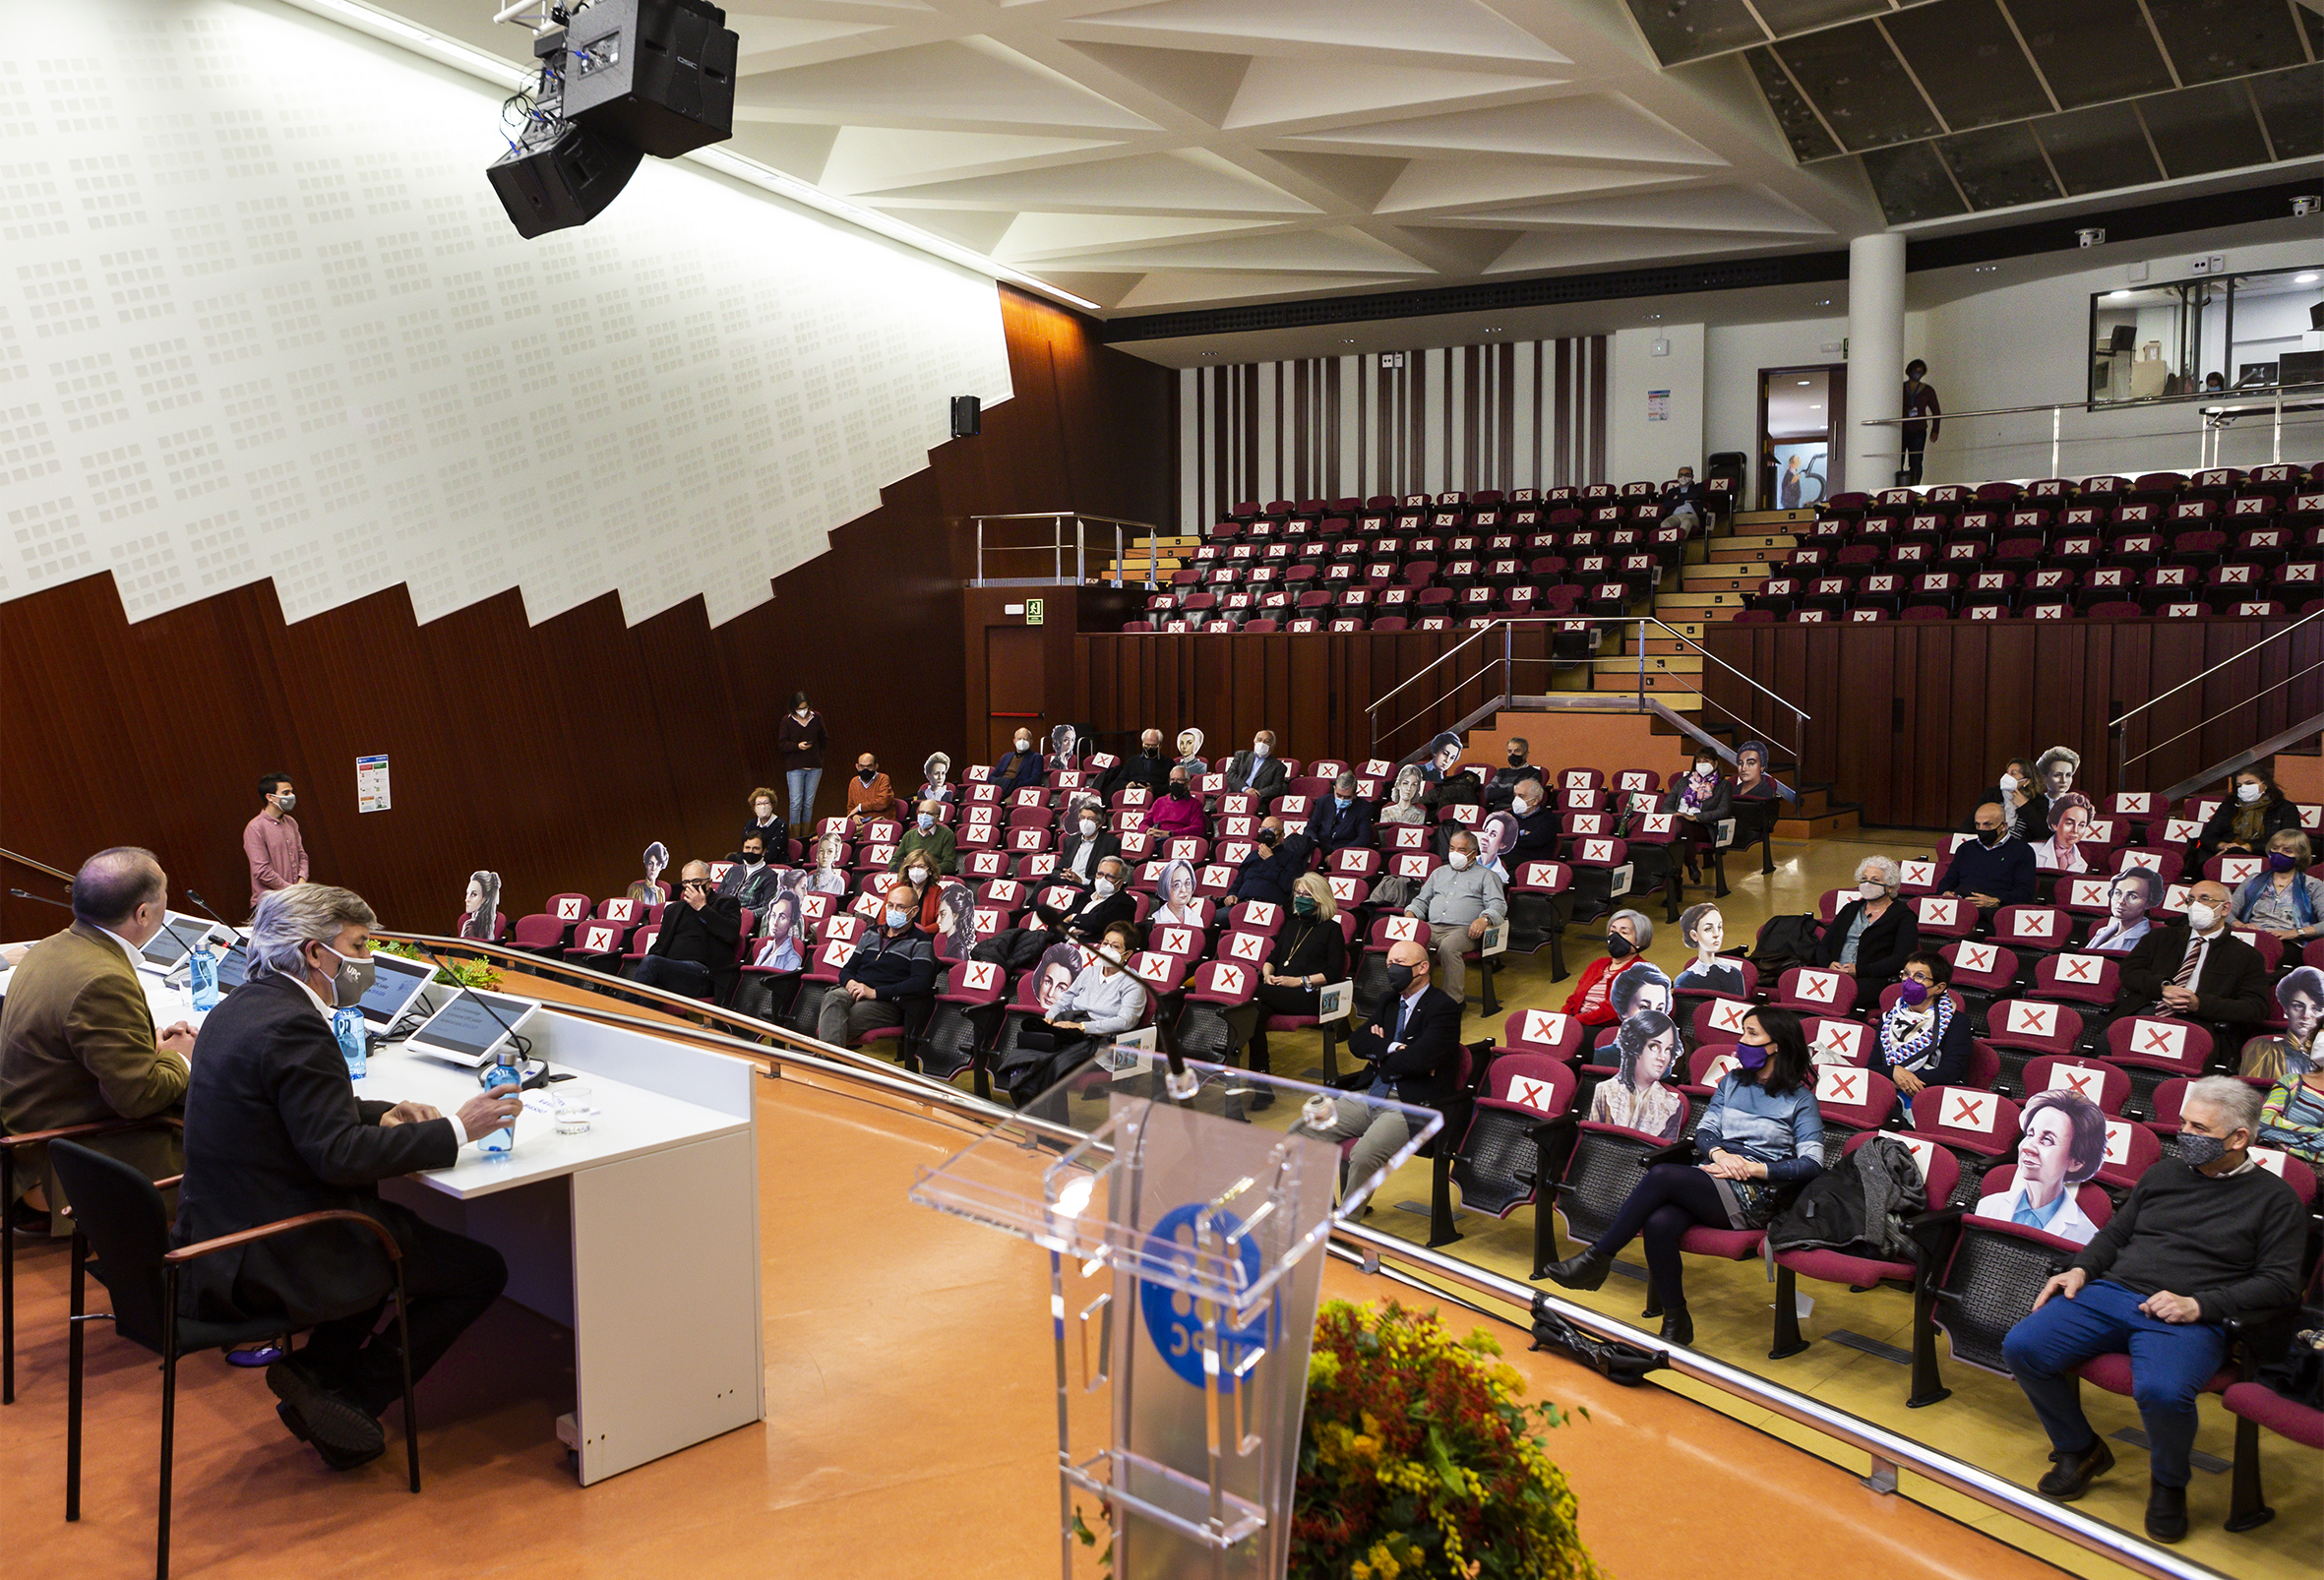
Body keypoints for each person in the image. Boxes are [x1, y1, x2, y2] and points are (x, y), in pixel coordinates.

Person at [173, 883, 520, 1471]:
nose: (368, 960)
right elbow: (338, 1156)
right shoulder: (295, 1026)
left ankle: (315, 1373)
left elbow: (294, 1105)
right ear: (315, 953)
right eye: (358, 946)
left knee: (388, 1229)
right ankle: (356, 1393)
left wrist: (380, 1113)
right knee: (476, 1268)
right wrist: (461, 1128)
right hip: (273, 1251)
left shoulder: (242, 1005)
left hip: (220, 1234)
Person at [2001, 1077, 2304, 1543]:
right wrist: (2081, 1269)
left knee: (2163, 1392)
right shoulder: (2163, 1174)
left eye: (2199, 1128)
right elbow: (2115, 1234)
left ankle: (2168, 1484)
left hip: (2189, 1315)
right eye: (2183, 1123)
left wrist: (2200, 1304)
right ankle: (2079, 1449)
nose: (2184, 1134)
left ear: (2238, 1138)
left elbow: (2280, 1284)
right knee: (2023, 1346)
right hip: (2113, 1291)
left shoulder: (2276, 1200)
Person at [1547, 1006, 1822, 1346]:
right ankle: (1676, 1321)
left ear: (1777, 1044)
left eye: (1752, 1034)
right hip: (1714, 1175)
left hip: (1758, 1194)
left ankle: (1597, 1258)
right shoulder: (1732, 1082)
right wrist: (1720, 1154)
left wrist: (1752, 1168)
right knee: (1659, 1223)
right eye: (1742, 1031)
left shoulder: (1800, 1100)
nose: (1741, 1040)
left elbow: (1812, 1163)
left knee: (1662, 1174)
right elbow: (1705, 1132)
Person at [0, 848, 194, 1229]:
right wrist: (182, 1056)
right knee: (238, 1140)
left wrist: (149, 1046)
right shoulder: (102, 980)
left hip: (34, 1137)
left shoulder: (52, 947)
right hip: (67, 1159)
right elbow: (138, 1098)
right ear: (143, 914)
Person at [1307, 939, 1462, 1199]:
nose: (1391, 969)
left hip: (1409, 1104)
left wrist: (1379, 1055)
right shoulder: (1389, 1001)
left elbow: (1421, 1060)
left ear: (1423, 967)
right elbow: (1357, 1042)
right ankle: (1324, 1207)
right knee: (1304, 1130)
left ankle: (1347, 1222)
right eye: (1389, 964)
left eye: (1399, 963)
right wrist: (1392, 1048)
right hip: (1370, 1093)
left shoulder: (1443, 1007)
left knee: (1362, 1155)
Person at [2116, 879, 2271, 1046]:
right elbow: (2128, 971)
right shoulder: (2159, 937)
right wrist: (2162, 986)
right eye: (2190, 900)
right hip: (2148, 1009)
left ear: (2225, 908)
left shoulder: (2247, 956)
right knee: (2108, 1042)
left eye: (2204, 899)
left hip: (2202, 1024)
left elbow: (2255, 1008)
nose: (2195, 905)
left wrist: (2199, 1004)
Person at [1230, 873, 1347, 1088]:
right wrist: (1268, 975)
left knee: (1254, 991)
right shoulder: (1292, 925)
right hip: (1280, 993)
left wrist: (1298, 981)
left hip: (1312, 995)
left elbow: (1333, 973)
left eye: (1306, 895)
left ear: (1320, 898)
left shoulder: (1332, 929)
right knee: (1255, 1013)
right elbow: (1271, 959)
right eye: (1298, 893)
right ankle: (1261, 1078)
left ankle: (1228, 1048)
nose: (1300, 898)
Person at [817, 880, 939, 1049]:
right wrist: (851, 984)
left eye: (900, 907)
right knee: (832, 997)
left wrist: (875, 992)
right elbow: (848, 969)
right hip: (855, 991)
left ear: (913, 911)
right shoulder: (870, 933)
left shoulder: (921, 941)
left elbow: (920, 982)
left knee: (835, 1022)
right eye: (890, 905)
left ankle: (826, 1061)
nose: (893, 911)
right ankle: (830, 1061)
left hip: (887, 1001)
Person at [1976, 1090, 2106, 1246]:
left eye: (2047, 1140)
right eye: (2030, 1134)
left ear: (2076, 1161)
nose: (2027, 1147)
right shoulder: (1988, 1207)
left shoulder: (2087, 1237)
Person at [1405, 829, 1505, 1007]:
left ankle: (1453, 1002)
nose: (1454, 853)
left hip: (1465, 930)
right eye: (1452, 848)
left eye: (1461, 850)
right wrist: (1410, 914)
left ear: (1473, 853)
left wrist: (1484, 919)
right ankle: (1415, 997)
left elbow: (1498, 905)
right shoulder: (1438, 873)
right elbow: (1421, 900)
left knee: (1448, 948)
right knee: (1409, 945)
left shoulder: (1487, 876)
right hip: (1433, 926)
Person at [1020, 921, 1145, 1060]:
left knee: (1052, 1060)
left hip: (1098, 1041)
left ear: (1127, 954)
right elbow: (1065, 1001)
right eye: (1105, 943)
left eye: (1115, 946)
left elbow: (1125, 1021)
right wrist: (1050, 1017)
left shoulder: (1133, 983)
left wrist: (1082, 1027)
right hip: (1068, 1030)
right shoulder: (1089, 972)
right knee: (1028, 1050)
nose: (1107, 949)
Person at [1870, 952, 1971, 1120]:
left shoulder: (1956, 1022)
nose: (1908, 981)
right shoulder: (1888, 1018)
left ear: (1939, 988)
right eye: (1906, 974)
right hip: (1886, 1089)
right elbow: (1872, 1066)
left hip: (1928, 1093)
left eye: (1919, 976)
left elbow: (1949, 1073)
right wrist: (1894, 1071)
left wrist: (1900, 1081)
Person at [635, 861, 742, 1000]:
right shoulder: (673, 909)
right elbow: (660, 945)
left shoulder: (726, 903)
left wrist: (701, 908)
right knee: (650, 985)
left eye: (696, 881)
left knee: (652, 964)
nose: (690, 887)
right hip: (669, 971)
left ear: (709, 883)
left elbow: (730, 934)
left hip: (704, 974)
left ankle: (624, 1009)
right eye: (686, 883)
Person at [1811, 856, 1919, 981]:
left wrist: (1860, 971)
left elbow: (1901, 959)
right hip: (1833, 974)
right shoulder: (1850, 909)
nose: (1868, 884)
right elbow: (1824, 946)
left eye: (1875, 879)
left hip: (1872, 978)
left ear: (1891, 887)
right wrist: (1828, 965)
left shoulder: (1904, 916)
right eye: (1864, 879)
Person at [1587, 1009, 1684, 1140]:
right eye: (1654, 1047)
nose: (1662, 1057)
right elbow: (1592, 1142)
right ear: (1635, 1046)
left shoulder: (1673, 1106)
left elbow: (1665, 1150)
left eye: (1668, 1049)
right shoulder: (1604, 1090)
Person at [1936, 802, 2037, 914]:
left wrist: (1998, 901)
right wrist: (1945, 893)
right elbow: (1948, 881)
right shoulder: (1965, 848)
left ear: (2003, 826)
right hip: (1960, 906)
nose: (1981, 829)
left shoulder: (2022, 851)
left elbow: (2025, 891)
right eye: (1977, 825)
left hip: (1995, 909)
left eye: (1987, 825)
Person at [2229, 827, 2324, 943]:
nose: (2278, 854)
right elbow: (2227, 910)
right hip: (2252, 937)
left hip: (2289, 941)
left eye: (2287, 851)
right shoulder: (2253, 880)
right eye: (2274, 848)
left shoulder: (2313, 885)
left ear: (2300, 855)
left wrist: (2295, 932)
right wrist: (2240, 925)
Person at [1561, 910, 1654, 1025]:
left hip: (1606, 1028)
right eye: (1612, 931)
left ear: (1640, 940)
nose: (1615, 937)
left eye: (1624, 932)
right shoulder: (1598, 964)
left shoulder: (1642, 971)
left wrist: (1575, 1022)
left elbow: (1615, 1010)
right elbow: (1573, 1000)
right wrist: (1562, 1019)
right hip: (1577, 1023)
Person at [2194, 766, 2300, 866]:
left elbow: (2289, 839)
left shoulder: (2285, 808)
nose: (2244, 788)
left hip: (2265, 856)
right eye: (2239, 785)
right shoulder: (2229, 805)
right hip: (2224, 853)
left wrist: (2248, 847)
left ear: (2265, 784)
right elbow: (2208, 835)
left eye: (2249, 783)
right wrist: (2223, 845)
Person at [2238, 965, 2324, 1081]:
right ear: (2286, 1009)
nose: (2306, 1015)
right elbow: (2252, 1090)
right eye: (2298, 1006)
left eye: (2316, 1009)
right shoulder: (2264, 1049)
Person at [1030, 855, 1134, 947]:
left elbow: (1097, 923)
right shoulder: (1081, 897)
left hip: (1089, 952)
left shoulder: (1125, 902)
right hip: (1062, 947)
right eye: (1100, 874)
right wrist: (1072, 930)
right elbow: (1055, 925)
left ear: (1120, 882)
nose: (1103, 879)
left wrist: (1072, 918)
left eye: (1110, 876)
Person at [244, 770, 310, 910]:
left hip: (296, 898)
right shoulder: (255, 827)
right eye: (286, 793)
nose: (291, 796)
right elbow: (261, 871)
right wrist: (291, 890)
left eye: (291, 792)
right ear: (270, 797)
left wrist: (301, 881)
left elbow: (302, 856)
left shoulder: (291, 822)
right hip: (271, 904)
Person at [1669, 754, 1731, 881]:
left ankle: (1677, 881)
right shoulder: (1683, 782)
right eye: (1699, 761)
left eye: (1706, 761)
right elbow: (1666, 805)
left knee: (1679, 831)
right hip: (1678, 822)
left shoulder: (1723, 785)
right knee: (1680, 829)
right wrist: (1675, 814)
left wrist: (1696, 817)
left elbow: (1723, 811)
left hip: (1704, 826)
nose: (1702, 764)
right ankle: (1690, 865)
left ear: (1715, 763)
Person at [1233, 815, 1313, 908]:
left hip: (1270, 906)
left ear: (1282, 834)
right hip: (1241, 904)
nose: (1266, 833)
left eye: (1271, 830)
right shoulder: (1253, 855)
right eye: (1263, 829)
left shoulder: (1292, 857)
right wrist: (1232, 894)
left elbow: (1289, 885)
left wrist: (1270, 860)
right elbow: (1238, 880)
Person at [1962, 758, 2045, 845]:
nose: (2006, 777)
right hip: (1988, 843)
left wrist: (2024, 806)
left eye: (2013, 773)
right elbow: (1970, 823)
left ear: (2026, 781)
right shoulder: (1993, 794)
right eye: (2007, 772)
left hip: (2018, 847)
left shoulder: (2038, 801)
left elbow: (2043, 832)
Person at [780, 693, 827, 839]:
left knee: (808, 803)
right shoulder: (787, 721)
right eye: (800, 708)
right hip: (795, 767)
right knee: (796, 803)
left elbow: (824, 738)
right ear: (793, 708)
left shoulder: (816, 717)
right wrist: (797, 746)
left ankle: (805, 836)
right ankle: (795, 838)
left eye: (805, 708)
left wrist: (818, 754)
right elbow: (782, 744)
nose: (803, 711)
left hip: (814, 766)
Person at [2255, 1068, 2324, 1165]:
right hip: (2272, 1160)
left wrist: (2286, 1146)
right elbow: (2263, 1122)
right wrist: (2319, 1135)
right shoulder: (2292, 1081)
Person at [1674, 903, 1743, 996]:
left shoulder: (1735, 974)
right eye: (1708, 929)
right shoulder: (1685, 981)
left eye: (1719, 927)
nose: (1716, 934)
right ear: (1694, 935)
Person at [2086, 867, 2160, 953]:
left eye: (2133, 896)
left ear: (2148, 903)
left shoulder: (2146, 941)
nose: (2121, 901)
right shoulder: (2102, 931)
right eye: (2118, 893)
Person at [1305, 771, 1376, 856]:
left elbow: (1363, 838)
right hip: (1320, 850)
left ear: (1355, 795)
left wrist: (1338, 855)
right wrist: (1315, 845)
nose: (1342, 799)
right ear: (1334, 789)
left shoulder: (1364, 808)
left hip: (1345, 853)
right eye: (1338, 795)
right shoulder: (1323, 801)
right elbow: (1310, 828)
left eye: (1347, 797)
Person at [1055, 798, 1120, 886]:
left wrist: (1081, 880)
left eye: (1090, 819)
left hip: (1087, 886)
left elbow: (1109, 876)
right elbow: (1057, 869)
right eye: (1082, 818)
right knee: (1042, 884)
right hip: (1065, 882)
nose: (1085, 822)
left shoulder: (1111, 843)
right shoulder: (1070, 841)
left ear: (1099, 823)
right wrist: (1063, 875)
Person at [887, 798, 957, 878]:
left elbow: (949, 865)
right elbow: (894, 861)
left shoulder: (947, 834)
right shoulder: (909, 835)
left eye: (929, 813)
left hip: (933, 877)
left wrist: (925, 870)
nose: (924, 816)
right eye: (921, 812)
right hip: (909, 877)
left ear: (937, 817)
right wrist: (908, 869)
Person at [1900, 359, 1941, 486]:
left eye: (1920, 371)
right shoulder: (1900, 387)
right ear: (1909, 371)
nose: (1917, 373)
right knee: (1898, 460)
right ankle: (1898, 486)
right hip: (1900, 430)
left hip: (1918, 430)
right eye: (1915, 371)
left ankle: (1914, 487)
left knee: (1916, 461)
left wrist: (1935, 430)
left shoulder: (1928, 390)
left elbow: (1936, 411)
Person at [718, 833, 782, 913]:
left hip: (747, 918)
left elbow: (767, 908)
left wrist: (744, 915)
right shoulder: (733, 870)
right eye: (747, 848)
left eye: (756, 848)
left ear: (763, 851)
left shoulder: (769, 876)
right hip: (723, 916)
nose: (751, 851)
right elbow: (718, 897)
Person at [751, 881, 806, 974]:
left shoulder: (792, 959)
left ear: (791, 922)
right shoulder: (764, 950)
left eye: (782, 917)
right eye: (773, 915)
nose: (775, 923)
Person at [2033, 792, 2096, 874]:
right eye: (2069, 823)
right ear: (2054, 825)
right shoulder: (2031, 851)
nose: (2075, 830)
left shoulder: (2082, 864)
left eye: (2081, 825)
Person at [1505, 775, 1560, 868]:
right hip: (1504, 859)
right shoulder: (1506, 816)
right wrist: (1523, 833)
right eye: (1515, 795)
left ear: (1534, 801)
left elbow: (1533, 842)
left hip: (1530, 864)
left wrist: (1507, 839)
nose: (1516, 800)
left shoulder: (1548, 819)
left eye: (1521, 796)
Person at [1223, 729, 1288, 805]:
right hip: (1234, 796)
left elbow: (1276, 788)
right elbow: (1231, 775)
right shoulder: (1241, 756)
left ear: (1272, 746)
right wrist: (1245, 789)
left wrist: (1254, 793)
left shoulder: (1279, 767)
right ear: (1254, 742)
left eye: (1266, 741)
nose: (1262, 743)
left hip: (1257, 801)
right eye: (1259, 740)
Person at [845, 754, 899, 839]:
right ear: (857, 767)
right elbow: (851, 808)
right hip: (862, 828)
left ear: (876, 766)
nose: (865, 769)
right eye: (862, 766)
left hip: (883, 826)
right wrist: (854, 816)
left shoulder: (883, 778)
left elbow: (883, 802)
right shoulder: (854, 782)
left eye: (869, 766)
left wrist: (860, 807)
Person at [1146, 767, 1209, 839]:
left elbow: (1198, 828)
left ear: (1188, 783)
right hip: (1156, 839)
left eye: (1179, 780)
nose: (1175, 783)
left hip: (1178, 840)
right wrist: (1147, 830)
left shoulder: (1195, 804)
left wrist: (1170, 834)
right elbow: (1144, 823)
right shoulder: (1159, 801)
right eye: (1172, 780)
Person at [1485, 737, 1544, 811]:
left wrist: (1500, 794)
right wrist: (1513, 789)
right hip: (1498, 811)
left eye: (1517, 751)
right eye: (1510, 751)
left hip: (1520, 812)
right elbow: (1488, 793)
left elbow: (1525, 797)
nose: (1512, 754)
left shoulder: (1534, 773)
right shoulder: (1501, 772)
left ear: (1526, 754)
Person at [932, 879, 977, 963]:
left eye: (943, 914)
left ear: (956, 915)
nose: (938, 921)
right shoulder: (951, 943)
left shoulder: (959, 951)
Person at [1150, 858, 1202, 929]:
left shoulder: (1197, 919)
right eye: (1176, 885)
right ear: (1165, 887)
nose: (1183, 890)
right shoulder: (1156, 920)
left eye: (1187, 883)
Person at [1657, 466, 1706, 536]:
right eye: (1681, 475)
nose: (1683, 477)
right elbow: (1666, 504)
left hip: (1691, 515)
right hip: (1675, 516)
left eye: (1687, 474)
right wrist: (1685, 499)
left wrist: (1678, 497)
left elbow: (1695, 495)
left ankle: (1681, 541)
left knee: (1686, 522)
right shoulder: (1672, 491)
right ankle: (1670, 542)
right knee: (1664, 524)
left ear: (1692, 477)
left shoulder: (1698, 487)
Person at [1122, 729, 1173, 796]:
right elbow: (1119, 781)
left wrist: (1153, 789)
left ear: (1160, 745)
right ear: (1142, 744)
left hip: (1156, 797)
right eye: (1147, 745)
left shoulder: (1168, 762)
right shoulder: (1132, 760)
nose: (1150, 748)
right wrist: (1127, 785)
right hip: (1133, 795)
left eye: (1154, 745)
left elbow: (1171, 785)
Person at [994, 730, 1046, 794]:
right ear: (1014, 741)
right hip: (1000, 788)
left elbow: (1035, 780)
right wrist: (1001, 782)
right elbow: (992, 776)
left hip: (1018, 791)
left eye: (1025, 739)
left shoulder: (1036, 757)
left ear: (1031, 741)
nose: (1022, 741)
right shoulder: (1006, 757)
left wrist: (1013, 784)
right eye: (1019, 739)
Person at [1472, 810, 1519, 881]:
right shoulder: (1466, 861)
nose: (1484, 837)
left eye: (1493, 834)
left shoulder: (1502, 876)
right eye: (1486, 831)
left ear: (1503, 845)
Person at [457, 871, 501, 942]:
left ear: (484, 898)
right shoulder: (489, 921)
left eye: (474, 894)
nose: (467, 899)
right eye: (467, 893)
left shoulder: (470, 925)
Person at [1378, 763, 1429, 827]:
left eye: (1414, 785)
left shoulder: (1420, 814)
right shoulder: (1386, 811)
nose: (1409, 788)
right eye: (1405, 783)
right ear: (1398, 785)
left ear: (1417, 788)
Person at [805, 829, 849, 895]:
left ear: (835, 855)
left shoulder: (838, 881)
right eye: (822, 851)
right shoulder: (809, 879)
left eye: (829, 852)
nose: (825, 856)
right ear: (818, 854)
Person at [742, 786, 784, 852]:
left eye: (766, 803)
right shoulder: (750, 824)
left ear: (772, 806)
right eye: (758, 804)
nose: (763, 807)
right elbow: (745, 848)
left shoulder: (780, 825)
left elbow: (774, 851)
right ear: (754, 808)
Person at [627, 842, 669, 907]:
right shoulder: (635, 889)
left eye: (658, 864)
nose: (653, 868)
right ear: (646, 864)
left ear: (661, 867)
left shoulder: (661, 892)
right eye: (651, 863)